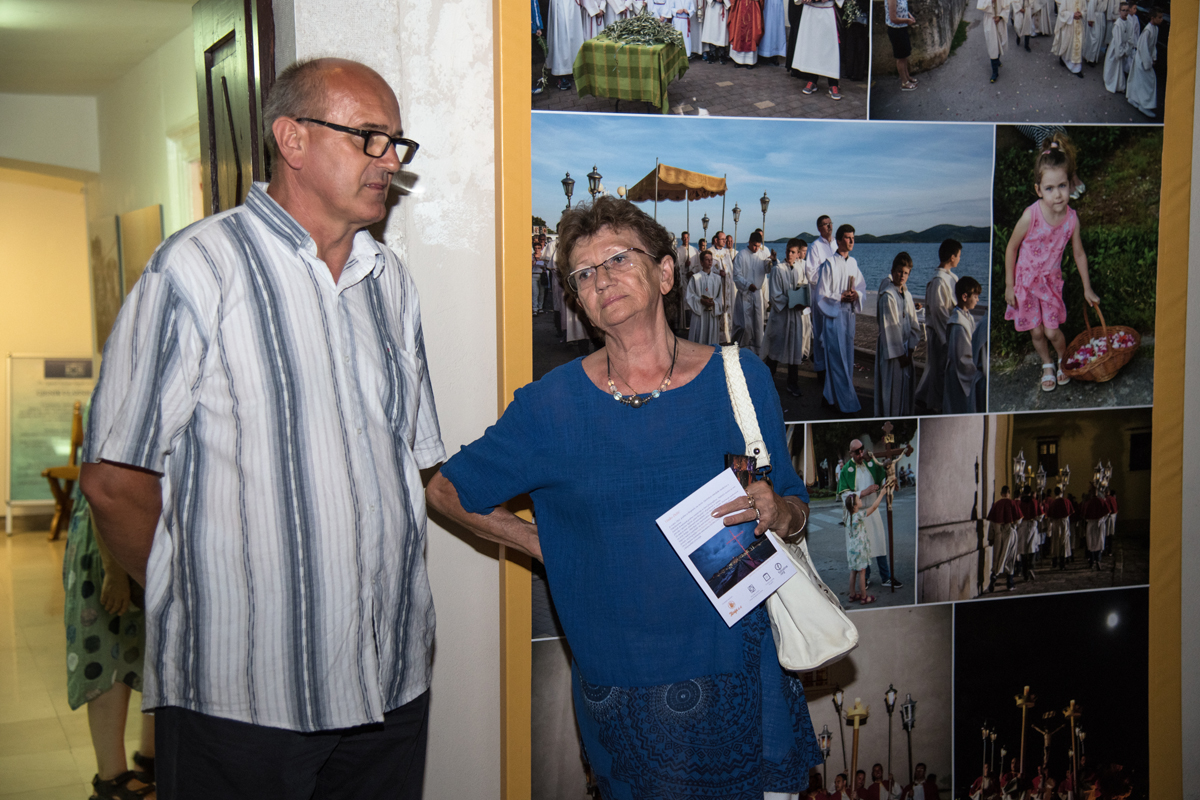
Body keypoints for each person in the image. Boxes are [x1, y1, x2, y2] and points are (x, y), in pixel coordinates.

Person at [80, 58, 444, 798]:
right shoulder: (196, 270)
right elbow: (114, 481)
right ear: (292, 138)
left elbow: (414, 461)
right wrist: (201, 601)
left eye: (395, 143)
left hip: (390, 679)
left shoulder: (390, 282)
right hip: (244, 694)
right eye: (368, 137)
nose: (388, 161)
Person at [427, 195, 821, 797]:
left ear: (665, 273)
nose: (601, 278)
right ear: (579, 302)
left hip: (747, 673)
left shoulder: (741, 380)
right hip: (628, 692)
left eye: (617, 258)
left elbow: (793, 502)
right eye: (583, 273)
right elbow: (448, 489)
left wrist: (779, 510)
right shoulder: (550, 407)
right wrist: (543, 543)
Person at [64, 488, 157, 800]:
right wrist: (114, 571)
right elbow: (101, 489)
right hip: (107, 546)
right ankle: (112, 779)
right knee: (105, 659)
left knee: (151, 655)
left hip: (139, 538)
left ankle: (150, 757)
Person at [1003, 133, 1100, 394]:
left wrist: (1087, 287)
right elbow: (1011, 248)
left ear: (1071, 184)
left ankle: (1062, 359)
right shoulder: (1030, 215)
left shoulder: (1071, 220)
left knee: (1052, 331)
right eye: (1049, 188)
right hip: (1025, 283)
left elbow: (1079, 253)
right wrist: (1009, 285)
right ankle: (1046, 363)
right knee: (1036, 333)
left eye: (1062, 186)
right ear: (1038, 190)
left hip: (1049, 284)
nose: (1057, 195)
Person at [837, 439, 904, 590]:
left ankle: (886, 577)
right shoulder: (846, 470)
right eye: (857, 452)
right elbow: (844, 496)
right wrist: (863, 492)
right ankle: (865, 578)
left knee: (879, 543)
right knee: (862, 547)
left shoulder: (871, 463)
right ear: (851, 453)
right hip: (858, 514)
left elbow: (884, 478)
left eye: (862, 450)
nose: (861, 454)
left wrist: (891, 481)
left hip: (873, 512)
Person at [815, 224, 866, 414]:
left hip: (848, 316)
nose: (851, 241)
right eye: (847, 237)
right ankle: (847, 403)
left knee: (847, 357)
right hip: (834, 316)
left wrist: (856, 296)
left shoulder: (853, 263)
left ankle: (829, 398)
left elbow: (861, 287)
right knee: (837, 360)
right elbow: (821, 294)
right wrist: (840, 297)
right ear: (838, 240)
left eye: (853, 237)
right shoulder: (829, 263)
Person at [915, 239, 960, 413]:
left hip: (947, 328)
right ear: (951, 257)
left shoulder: (950, 278)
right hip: (940, 331)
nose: (959, 259)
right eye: (958, 256)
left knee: (937, 368)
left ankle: (924, 397)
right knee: (938, 369)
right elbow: (939, 311)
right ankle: (934, 404)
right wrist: (946, 338)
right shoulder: (939, 281)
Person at [875, 252, 921, 417]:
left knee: (904, 388)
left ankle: (903, 414)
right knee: (892, 388)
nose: (902, 275)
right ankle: (890, 417)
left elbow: (914, 323)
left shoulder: (907, 295)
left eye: (906, 273)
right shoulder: (888, 296)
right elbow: (890, 328)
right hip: (893, 353)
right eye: (899, 271)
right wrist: (901, 354)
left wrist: (910, 349)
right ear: (893, 271)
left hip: (906, 350)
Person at [764, 238, 812, 397]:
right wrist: (792, 301)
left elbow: (804, 287)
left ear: (799, 254)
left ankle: (793, 383)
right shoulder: (778, 270)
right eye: (787, 251)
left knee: (795, 348)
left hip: (796, 316)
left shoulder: (800, 268)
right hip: (782, 316)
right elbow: (775, 295)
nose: (789, 254)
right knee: (776, 347)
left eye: (793, 252)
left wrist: (803, 301)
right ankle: (768, 380)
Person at [943, 276, 983, 415]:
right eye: (976, 296)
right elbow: (961, 357)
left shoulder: (967, 316)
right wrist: (975, 373)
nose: (978, 300)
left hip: (960, 371)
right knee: (959, 406)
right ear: (965, 296)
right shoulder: (958, 324)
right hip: (959, 375)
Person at [791, 0, 846, 100]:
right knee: (812, 47)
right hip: (811, 10)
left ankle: (833, 83)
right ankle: (813, 80)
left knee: (830, 48)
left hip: (826, 10)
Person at [805, 215, 837, 383]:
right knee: (820, 333)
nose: (829, 226)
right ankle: (820, 368)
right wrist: (828, 275)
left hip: (835, 297)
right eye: (825, 224)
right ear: (819, 228)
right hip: (821, 297)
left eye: (830, 223)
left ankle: (832, 366)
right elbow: (810, 274)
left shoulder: (836, 244)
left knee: (833, 332)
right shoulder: (815, 247)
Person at [845, 480, 886, 605]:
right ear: (855, 505)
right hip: (860, 550)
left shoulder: (849, 517)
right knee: (862, 572)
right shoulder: (859, 516)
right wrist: (881, 494)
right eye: (859, 499)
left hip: (852, 549)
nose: (861, 500)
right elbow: (873, 507)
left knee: (853, 571)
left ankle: (852, 595)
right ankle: (864, 596)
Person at [734, 230, 772, 355]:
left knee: (758, 324)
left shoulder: (762, 255)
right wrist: (747, 285)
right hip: (745, 293)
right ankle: (742, 349)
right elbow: (737, 275)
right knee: (745, 324)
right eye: (754, 245)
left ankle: (757, 351)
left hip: (757, 294)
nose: (756, 248)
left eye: (758, 246)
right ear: (749, 242)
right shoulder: (741, 255)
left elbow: (767, 269)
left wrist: (772, 261)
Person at [1126, 7, 1163, 118]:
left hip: (1146, 59)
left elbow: (1153, 46)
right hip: (1142, 60)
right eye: (1159, 17)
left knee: (1139, 81)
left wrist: (1154, 57)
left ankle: (1133, 98)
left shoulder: (1155, 29)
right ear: (1153, 18)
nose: (1161, 19)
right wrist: (1148, 63)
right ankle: (1144, 105)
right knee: (1148, 81)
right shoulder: (1147, 30)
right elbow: (1143, 48)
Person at [986, 486, 1023, 592]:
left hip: (998, 535)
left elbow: (992, 523)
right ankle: (1010, 583)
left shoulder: (996, 505)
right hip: (1009, 533)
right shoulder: (1012, 504)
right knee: (1010, 558)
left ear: (1001, 493)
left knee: (997, 558)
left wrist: (991, 537)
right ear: (1009, 493)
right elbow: (1018, 521)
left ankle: (993, 577)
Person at [687, 249, 727, 345]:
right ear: (701, 262)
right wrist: (700, 301)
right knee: (699, 338)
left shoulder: (717, 279)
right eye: (707, 260)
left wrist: (715, 303)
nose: (710, 262)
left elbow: (719, 297)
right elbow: (689, 296)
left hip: (711, 315)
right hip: (700, 314)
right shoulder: (695, 278)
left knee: (711, 341)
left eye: (711, 259)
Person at [548, 0, 586, 90]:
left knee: (574, 35)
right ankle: (561, 74)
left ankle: (571, 69)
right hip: (560, 3)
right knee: (562, 36)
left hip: (572, 4)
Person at [884, 0, 918, 91]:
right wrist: (908, 20)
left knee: (904, 55)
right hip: (896, 30)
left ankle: (907, 76)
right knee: (900, 57)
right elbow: (893, 18)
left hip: (902, 28)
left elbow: (902, 9)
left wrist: (909, 16)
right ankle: (904, 82)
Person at [1103, 3, 1133, 93]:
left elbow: (1130, 38)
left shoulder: (1129, 23)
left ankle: (1120, 85)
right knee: (1113, 65)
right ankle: (1111, 82)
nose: (1125, 12)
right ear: (1119, 11)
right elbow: (1118, 40)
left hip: (1123, 47)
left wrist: (1127, 49)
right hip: (1116, 48)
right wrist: (1120, 51)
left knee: (1120, 68)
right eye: (1123, 10)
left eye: (1127, 10)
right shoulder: (1117, 24)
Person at [1052, 0, 1087, 77]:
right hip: (1069, 25)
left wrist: (1081, 14)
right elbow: (1061, 12)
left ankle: (1076, 68)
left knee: (1077, 45)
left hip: (1079, 24)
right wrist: (1072, 15)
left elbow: (1085, 9)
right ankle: (1064, 59)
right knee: (1068, 45)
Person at [1044, 486, 1074, 570]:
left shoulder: (1053, 503)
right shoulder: (1066, 501)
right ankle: (1062, 563)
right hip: (1064, 523)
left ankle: (1054, 561)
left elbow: (1050, 517)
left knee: (1055, 542)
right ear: (1061, 492)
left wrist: (1049, 529)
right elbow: (1069, 513)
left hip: (1055, 524)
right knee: (1063, 543)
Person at [1016, 485, 1041, 581]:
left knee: (1023, 551)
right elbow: (1039, 516)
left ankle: (1025, 573)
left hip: (1022, 527)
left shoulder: (1020, 502)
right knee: (1032, 549)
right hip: (1032, 526)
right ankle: (1031, 567)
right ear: (1030, 492)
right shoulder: (1034, 501)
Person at [728, 0, 764, 66]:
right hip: (740, 4)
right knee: (738, 31)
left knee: (753, 30)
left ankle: (750, 61)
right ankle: (738, 60)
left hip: (752, 5)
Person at [979, 0, 1008, 83]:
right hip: (990, 21)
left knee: (1000, 44)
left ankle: (997, 59)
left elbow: (1007, 7)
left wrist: (1000, 17)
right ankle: (995, 72)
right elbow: (981, 6)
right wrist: (990, 2)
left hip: (1000, 21)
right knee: (992, 46)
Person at [676, 230, 699, 330]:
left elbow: (698, 265)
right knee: (685, 300)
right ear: (682, 239)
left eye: (687, 238)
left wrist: (693, 271)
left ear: (689, 238)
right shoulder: (678, 251)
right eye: (684, 238)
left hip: (691, 278)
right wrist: (684, 266)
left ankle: (693, 322)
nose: (686, 240)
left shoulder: (694, 250)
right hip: (683, 278)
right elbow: (676, 266)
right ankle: (685, 324)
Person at [1082, 0, 1108, 64]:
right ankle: (1089, 58)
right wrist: (1090, 19)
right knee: (1094, 38)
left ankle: (1094, 58)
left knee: (1099, 38)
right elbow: (1091, 6)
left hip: (1101, 17)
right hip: (1095, 17)